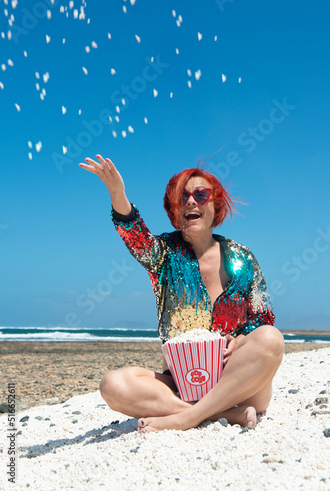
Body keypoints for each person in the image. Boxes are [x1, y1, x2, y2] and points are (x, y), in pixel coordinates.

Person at [79, 154, 284, 433]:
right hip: (180, 384)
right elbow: (135, 235)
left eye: (201, 195)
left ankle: (187, 417)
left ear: (215, 205)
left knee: (271, 339)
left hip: (239, 385)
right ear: (174, 212)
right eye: (182, 197)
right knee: (112, 384)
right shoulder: (164, 254)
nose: (191, 201)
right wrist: (118, 193)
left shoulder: (242, 258)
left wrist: (242, 339)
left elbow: (262, 320)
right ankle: (218, 415)